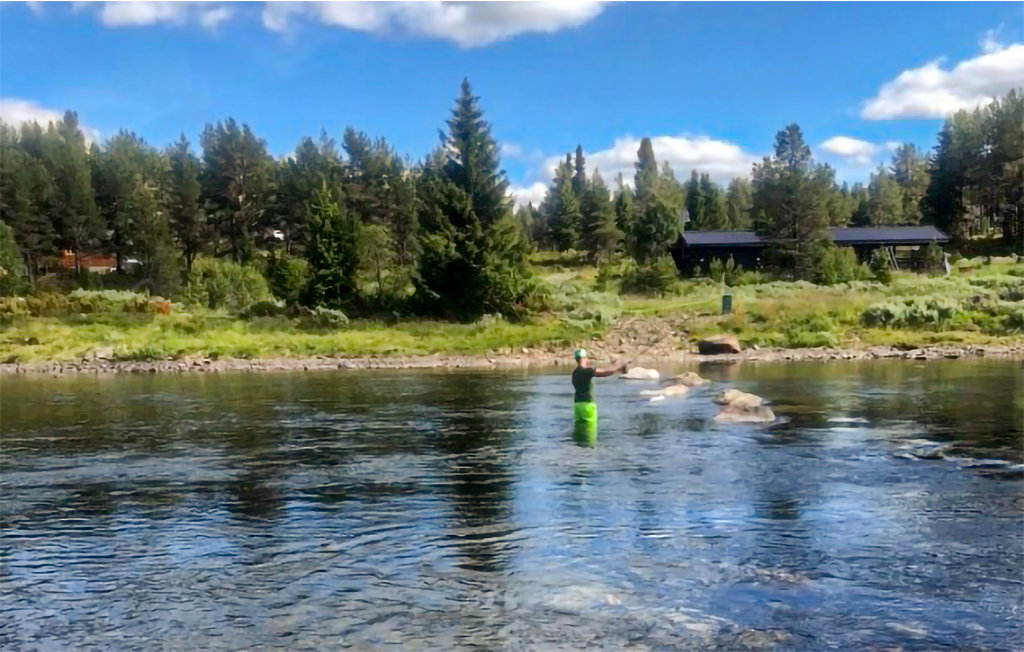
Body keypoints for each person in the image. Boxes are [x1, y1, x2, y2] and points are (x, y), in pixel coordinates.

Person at [571, 348, 627, 428]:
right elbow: (604, 372)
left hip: (577, 405)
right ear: (584, 358)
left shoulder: (575, 373)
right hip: (588, 405)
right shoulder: (587, 371)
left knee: (580, 427)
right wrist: (618, 368)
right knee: (590, 429)